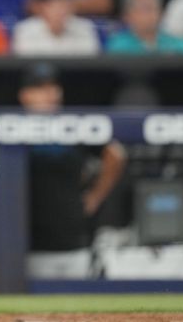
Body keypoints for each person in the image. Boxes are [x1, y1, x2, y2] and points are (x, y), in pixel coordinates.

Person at [18, 63, 127, 251]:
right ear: (25, 95)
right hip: (23, 245)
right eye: (41, 89)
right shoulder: (11, 127)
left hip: (72, 238)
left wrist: (95, 196)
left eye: (53, 87)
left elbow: (116, 153)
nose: (50, 94)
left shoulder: (75, 125)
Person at [11, 0, 100, 57]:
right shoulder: (25, 29)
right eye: (54, 4)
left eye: (64, 4)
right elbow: (26, 64)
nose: (60, 10)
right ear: (42, 6)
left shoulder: (85, 28)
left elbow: (89, 64)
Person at [106, 0, 183, 54]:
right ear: (127, 16)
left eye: (154, 7)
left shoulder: (179, 45)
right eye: (145, 8)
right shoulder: (117, 46)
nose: (151, 14)